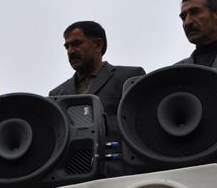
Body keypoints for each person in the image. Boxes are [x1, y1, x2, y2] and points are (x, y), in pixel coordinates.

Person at [49, 21, 145, 176]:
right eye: (67, 46)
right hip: (73, 178)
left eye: (76, 44)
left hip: (121, 173)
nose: (70, 51)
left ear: (98, 45)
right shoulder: (57, 94)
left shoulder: (129, 77)